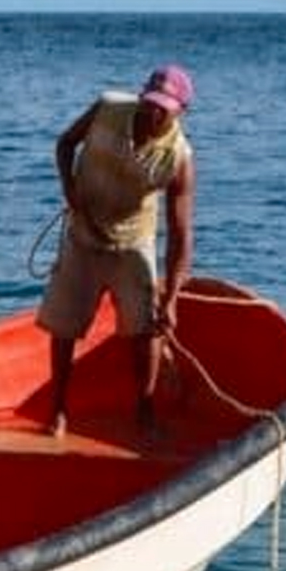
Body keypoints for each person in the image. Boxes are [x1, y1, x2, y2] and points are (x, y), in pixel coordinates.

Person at [37, 64, 196, 437]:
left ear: (180, 112)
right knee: (64, 325)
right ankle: (57, 409)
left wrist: (171, 295)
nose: (153, 112)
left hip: (132, 243)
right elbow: (65, 143)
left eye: (164, 108)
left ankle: (144, 410)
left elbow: (180, 233)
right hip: (83, 235)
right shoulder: (108, 108)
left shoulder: (179, 158)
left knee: (147, 330)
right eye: (150, 102)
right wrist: (70, 191)